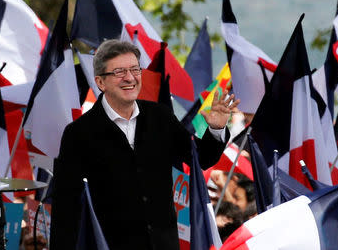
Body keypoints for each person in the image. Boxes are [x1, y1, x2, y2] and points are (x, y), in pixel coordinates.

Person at [50, 40, 240, 250]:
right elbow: (65, 208)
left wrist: (216, 128)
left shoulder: (160, 116)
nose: (130, 78)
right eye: (119, 72)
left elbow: (201, 159)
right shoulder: (78, 133)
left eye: (134, 69)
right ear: (100, 82)